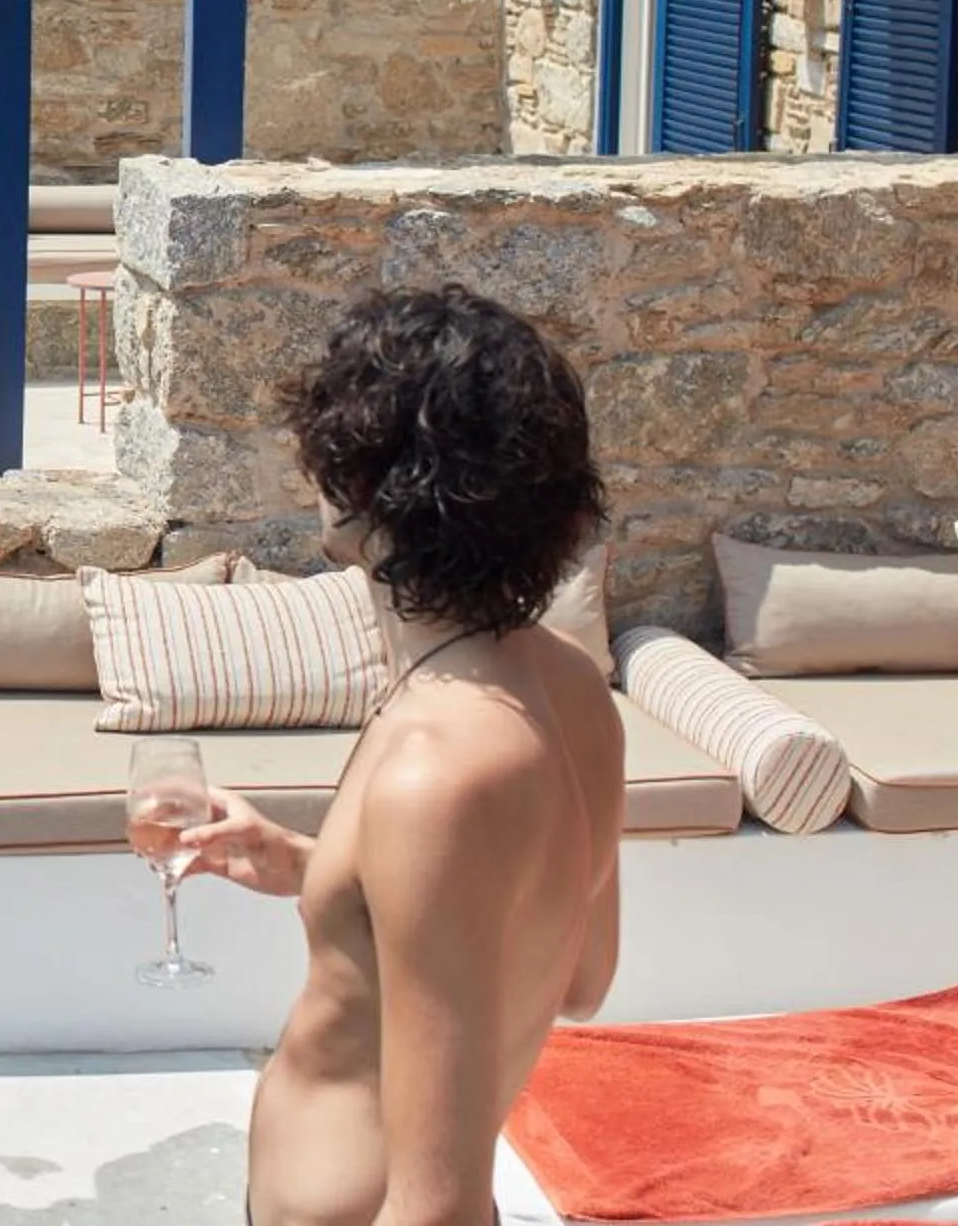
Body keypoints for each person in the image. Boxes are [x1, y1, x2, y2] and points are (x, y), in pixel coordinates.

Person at [182, 285, 623, 1226]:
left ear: (366, 486)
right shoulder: (572, 687)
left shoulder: (440, 773)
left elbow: (439, 1209)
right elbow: (574, 976)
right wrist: (315, 870)